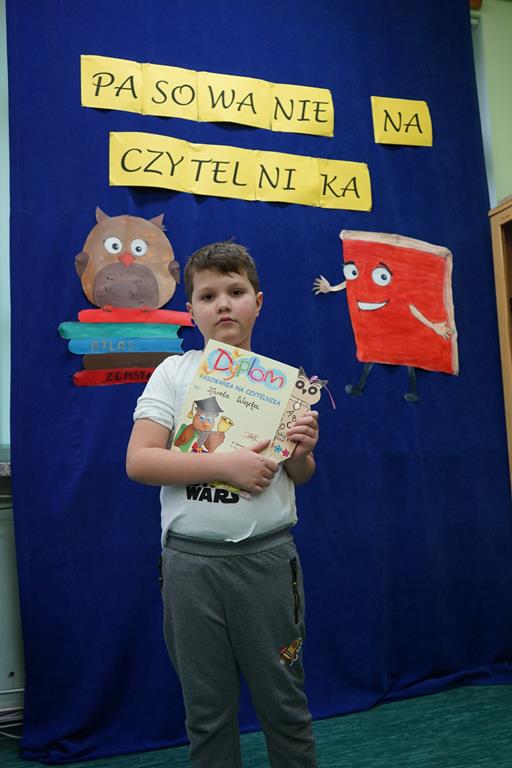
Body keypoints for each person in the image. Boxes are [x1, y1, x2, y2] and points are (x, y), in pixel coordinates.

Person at [126, 241, 319, 768]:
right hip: (191, 566)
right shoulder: (174, 373)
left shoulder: (285, 382)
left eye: (236, 292)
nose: (224, 305)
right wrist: (224, 466)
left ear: (259, 301)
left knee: (285, 705)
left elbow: (299, 474)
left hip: (268, 561)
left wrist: (303, 452)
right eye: (208, 296)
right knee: (207, 713)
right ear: (190, 309)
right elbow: (140, 461)